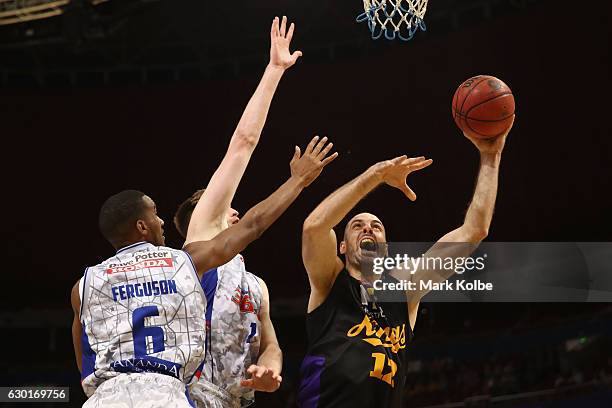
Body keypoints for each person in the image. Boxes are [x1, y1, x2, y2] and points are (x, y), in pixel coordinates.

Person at [70, 135, 337, 407]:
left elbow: (85, 362)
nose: (160, 221)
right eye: (155, 214)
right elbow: (252, 210)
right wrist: (297, 181)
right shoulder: (184, 266)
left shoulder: (84, 285)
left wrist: (270, 367)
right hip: (178, 393)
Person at [297, 119, 514, 407]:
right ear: (342, 245)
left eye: (376, 226)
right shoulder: (329, 280)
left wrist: (491, 156)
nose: (368, 229)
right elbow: (314, 227)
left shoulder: (406, 290)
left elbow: (474, 231)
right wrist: (375, 175)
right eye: (357, 225)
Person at [172, 15, 313, 407]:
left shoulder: (255, 285)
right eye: (221, 209)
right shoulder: (198, 243)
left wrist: (270, 368)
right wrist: (274, 71)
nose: (231, 210)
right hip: (185, 396)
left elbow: (271, 346)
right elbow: (243, 143)